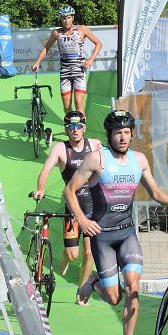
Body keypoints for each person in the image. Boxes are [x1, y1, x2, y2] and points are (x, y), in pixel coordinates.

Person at [67, 109, 168, 335]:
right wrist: (83, 220)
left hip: (127, 233)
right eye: (118, 132)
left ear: (132, 134)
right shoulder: (96, 160)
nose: (122, 137)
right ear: (109, 135)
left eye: (127, 132)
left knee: (133, 288)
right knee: (114, 298)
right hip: (102, 237)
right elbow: (69, 191)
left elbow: (154, 192)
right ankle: (93, 282)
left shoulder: (139, 160)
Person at [33, 110, 101, 305]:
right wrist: (40, 188)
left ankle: (81, 292)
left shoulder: (95, 145)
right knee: (73, 255)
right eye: (71, 127)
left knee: (89, 253)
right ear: (66, 129)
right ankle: (65, 257)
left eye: (78, 126)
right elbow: (45, 169)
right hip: (72, 208)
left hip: (93, 207)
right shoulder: (60, 149)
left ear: (84, 128)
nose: (75, 130)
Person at [30, 5, 102, 114]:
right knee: (67, 106)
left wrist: (91, 59)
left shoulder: (82, 29)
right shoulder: (56, 33)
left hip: (79, 71)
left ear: (72, 18)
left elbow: (98, 44)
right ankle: (69, 129)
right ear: (61, 19)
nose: (66, 20)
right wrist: (37, 62)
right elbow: (46, 47)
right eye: (63, 18)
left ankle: (81, 129)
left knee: (78, 103)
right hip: (65, 72)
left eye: (68, 17)